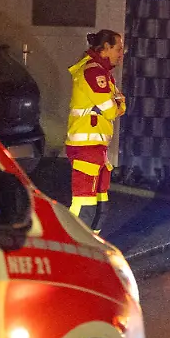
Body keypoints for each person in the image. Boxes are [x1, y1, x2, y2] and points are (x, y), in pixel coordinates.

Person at [65, 29, 125, 233]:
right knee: (85, 208)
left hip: (98, 148)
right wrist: (117, 105)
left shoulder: (104, 73)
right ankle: (70, 245)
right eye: (118, 49)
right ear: (106, 48)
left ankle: (92, 246)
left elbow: (120, 105)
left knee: (100, 208)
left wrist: (117, 105)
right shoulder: (93, 72)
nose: (121, 54)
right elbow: (112, 110)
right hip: (86, 148)